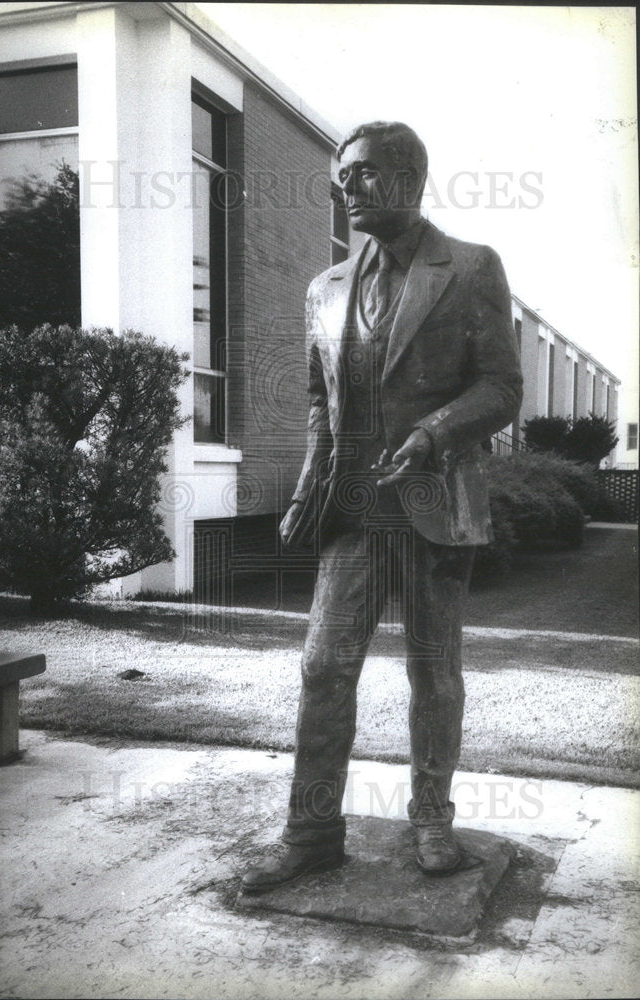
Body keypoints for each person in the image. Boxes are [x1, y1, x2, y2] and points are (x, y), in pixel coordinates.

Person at [241, 121, 523, 892]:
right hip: (352, 513)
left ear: (408, 175)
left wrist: (433, 435)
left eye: (363, 171)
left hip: (433, 502)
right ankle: (310, 833)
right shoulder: (323, 287)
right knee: (323, 669)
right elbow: (316, 402)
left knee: (433, 673)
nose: (347, 186)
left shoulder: (468, 268)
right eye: (341, 174)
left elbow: (501, 387)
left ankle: (431, 820)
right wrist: (308, 484)